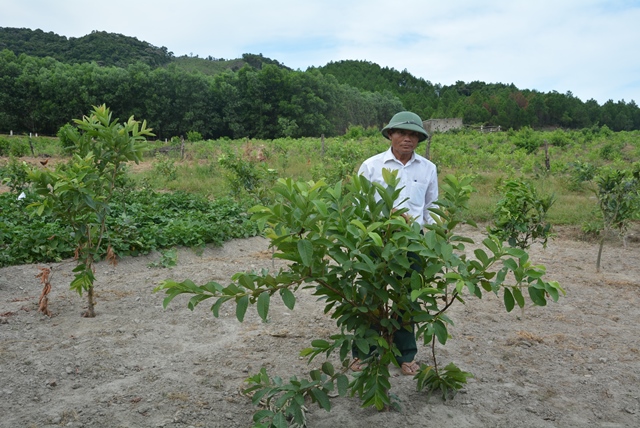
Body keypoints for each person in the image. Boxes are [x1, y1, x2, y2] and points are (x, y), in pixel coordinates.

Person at [352, 111, 438, 376]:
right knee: (369, 293)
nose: (407, 139)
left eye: (413, 135)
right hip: (377, 239)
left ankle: (405, 354)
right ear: (390, 134)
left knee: (408, 298)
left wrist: (432, 242)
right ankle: (363, 353)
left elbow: (432, 209)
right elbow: (359, 205)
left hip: (413, 243)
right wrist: (383, 218)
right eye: (402, 133)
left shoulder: (427, 168)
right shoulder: (372, 166)